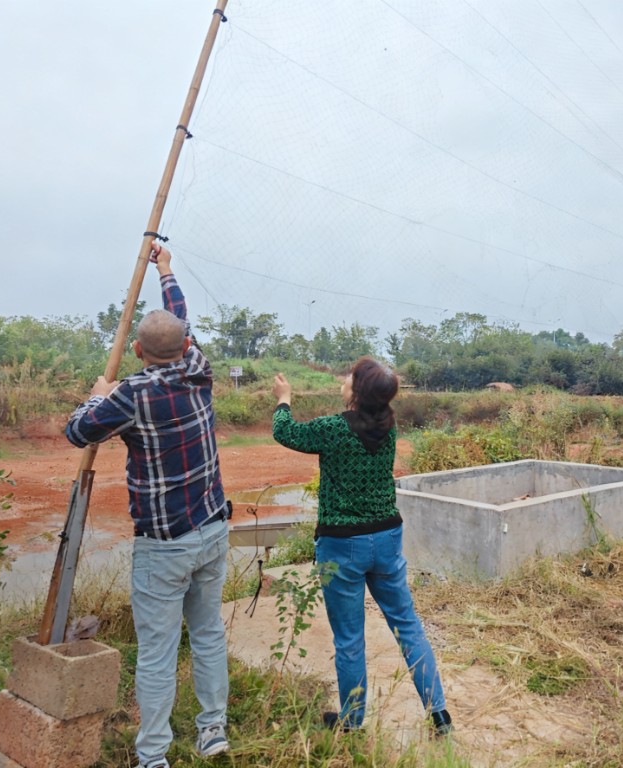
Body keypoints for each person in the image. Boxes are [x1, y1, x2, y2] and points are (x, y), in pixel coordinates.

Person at [65, 244, 230, 766]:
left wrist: (97, 393)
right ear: (184, 347)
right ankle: (213, 731)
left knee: (158, 653)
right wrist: (166, 271)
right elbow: (180, 321)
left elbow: (77, 432)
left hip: (165, 547)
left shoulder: (130, 395)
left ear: (136, 349)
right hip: (211, 531)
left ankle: (154, 756)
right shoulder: (199, 368)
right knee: (207, 634)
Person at [271, 358, 452, 735]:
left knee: (350, 638)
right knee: (408, 626)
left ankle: (352, 722)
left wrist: (284, 399)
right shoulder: (389, 426)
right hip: (387, 538)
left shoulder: (334, 429)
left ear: (358, 390)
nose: (344, 380)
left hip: (342, 545)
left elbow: (285, 433)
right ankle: (439, 714)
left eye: (350, 377)